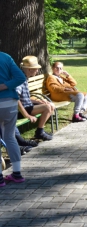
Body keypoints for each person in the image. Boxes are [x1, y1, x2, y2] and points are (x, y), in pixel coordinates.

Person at [0, 51, 27, 185]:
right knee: (9, 137)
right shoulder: (6, 57)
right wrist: (5, 86)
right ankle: (17, 173)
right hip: (10, 102)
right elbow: (20, 77)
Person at [17, 56, 55, 141]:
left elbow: (25, 98)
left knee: (50, 104)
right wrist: (26, 115)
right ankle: (39, 132)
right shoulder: (20, 79)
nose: (37, 71)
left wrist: (39, 102)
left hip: (27, 106)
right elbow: (16, 98)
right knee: (47, 107)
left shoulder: (24, 77)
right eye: (36, 69)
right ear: (29, 69)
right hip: (21, 110)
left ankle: (41, 130)